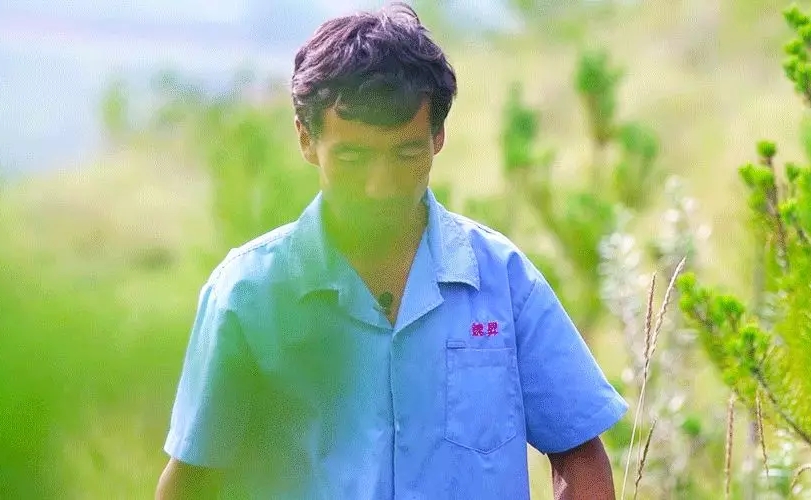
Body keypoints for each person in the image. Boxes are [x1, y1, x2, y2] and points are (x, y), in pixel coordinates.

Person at [156, 3, 627, 499]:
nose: (379, 188)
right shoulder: (248, 296)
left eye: (405, 154)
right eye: (353, 157)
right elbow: (194, 480)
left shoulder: (502, 281)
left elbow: (580, 454)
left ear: (437, 137)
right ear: (306, 139)